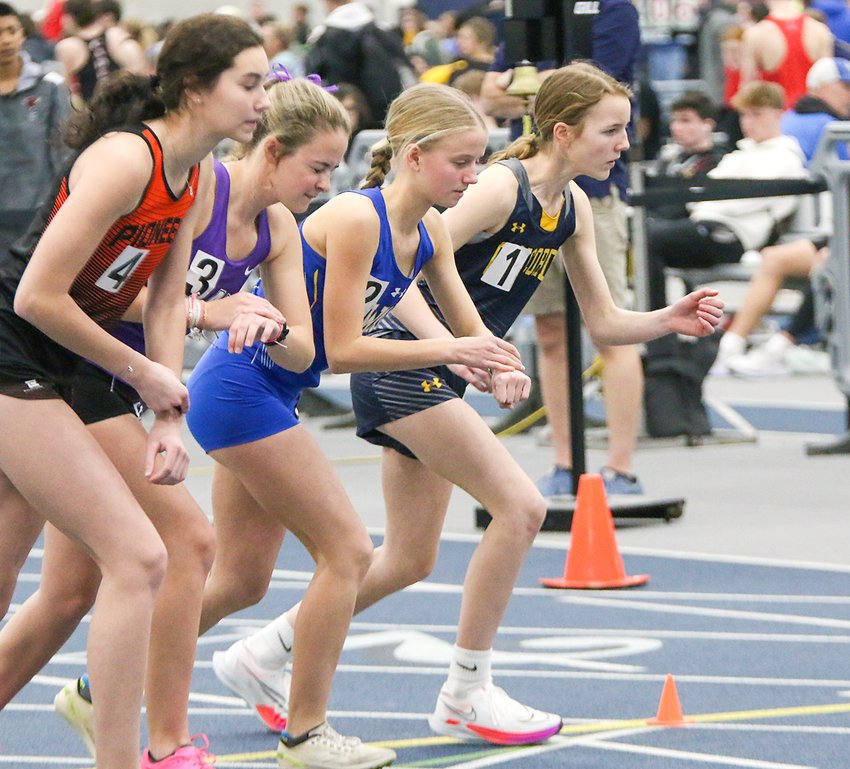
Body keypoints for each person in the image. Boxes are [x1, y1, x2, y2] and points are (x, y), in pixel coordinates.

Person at [209, 63, 724, 747]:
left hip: (431, 367)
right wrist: (455, 347)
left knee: (409, 559)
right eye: (612, 130)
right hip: (398, 361)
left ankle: (264, 651)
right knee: (520, 506)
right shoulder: (494, 190)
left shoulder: (568, 209)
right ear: (564, 131)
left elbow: (602, 322)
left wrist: (667, 318)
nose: (625, 143)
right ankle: (465, 687)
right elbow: (406, 270)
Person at [2, 73, 350, 769]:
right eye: (318, 167)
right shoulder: (195, 187)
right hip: (89, 374)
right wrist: (206, 312)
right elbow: (104, 291)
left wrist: (266, 322)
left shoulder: (278, 228)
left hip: (132, 388)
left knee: (69, 591)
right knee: (186, 542)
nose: (324, 186)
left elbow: (310, 347)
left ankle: (105, 703)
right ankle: (167, 740)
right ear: (274, 150)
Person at [185, 82, 522, 769]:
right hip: (242, 383)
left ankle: (101, 682)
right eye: (462, 162)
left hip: (269, 391)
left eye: (480, 161)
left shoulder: (425, 231)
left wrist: (499, 365)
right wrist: (456, 352)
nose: (474, 177)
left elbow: (466, 326)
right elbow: (341, 348)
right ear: (415, 156)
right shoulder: (357, 219)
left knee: (242, 579)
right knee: (348, 551)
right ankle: (307, 732)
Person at [714, 56, 850, 374]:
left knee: (831, 262)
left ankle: (758, 345)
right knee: (814, 260)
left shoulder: (797, 130)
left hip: (819, 235)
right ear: (822, 88)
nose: (848, 94)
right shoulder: (827, 127)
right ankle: (750, 347)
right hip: (820, 234)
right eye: (843, 86)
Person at [646, 80, 806, 312]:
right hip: (706, 227)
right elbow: (707, 193)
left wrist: (710, 203)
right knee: (643, 235)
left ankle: (658, 332)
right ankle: (659, 325)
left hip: (731, 236)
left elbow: (746, 200)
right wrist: (710, 201)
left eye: (756, 114)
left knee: (650, 237)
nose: (748, 122)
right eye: (744, 115)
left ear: (779, 115)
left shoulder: (785, 158)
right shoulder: (739, 154)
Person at [0, 1, 72, 257]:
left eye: (12, 30)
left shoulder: (50, 85)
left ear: (23, 34)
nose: (6, 40)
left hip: (38, 214)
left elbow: (65, 151)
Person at [649, 90, 728, 220]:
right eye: (673, 120)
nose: (676, 127)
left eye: (685, 120)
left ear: (707, 125)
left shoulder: (720, 161)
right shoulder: (668, 157)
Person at [740, 0, 833, 108]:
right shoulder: (820, 30)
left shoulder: (755, 34)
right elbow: (829, 83)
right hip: (812, 115)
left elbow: (747, 89)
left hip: (777, 116)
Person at [55, 0, 146, 105]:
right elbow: (139, 69)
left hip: (94, 111)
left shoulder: (68, 46)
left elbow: (66, 91)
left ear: (70, 18)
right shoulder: (116, 35)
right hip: (126, 106)